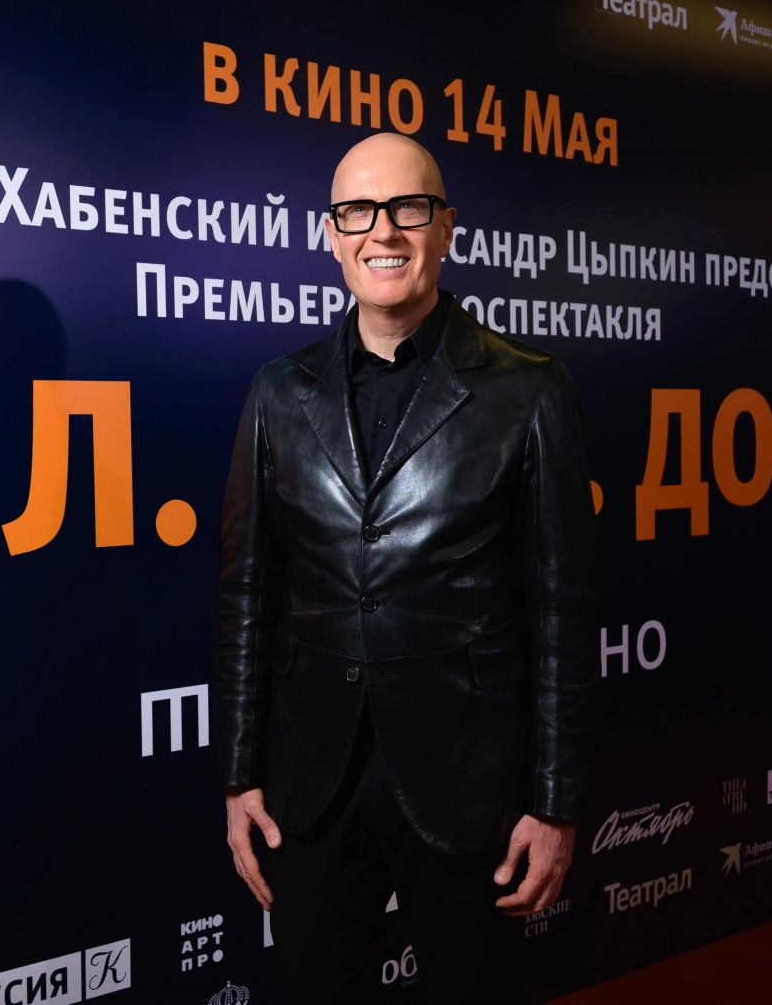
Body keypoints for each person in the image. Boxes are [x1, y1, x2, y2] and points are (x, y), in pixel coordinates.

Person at [215, 133, 600, 1004]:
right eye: (357, 211)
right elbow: (246, 595)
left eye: (408, 208)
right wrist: (238, 778)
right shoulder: (277, 391)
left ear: (447, 226)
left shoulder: (532, 390)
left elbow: (564, 614)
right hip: (312, 789)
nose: (382, 231)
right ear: (331, 234)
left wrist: (556, 801)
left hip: (472, 788)